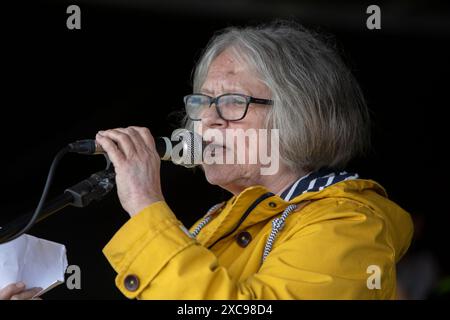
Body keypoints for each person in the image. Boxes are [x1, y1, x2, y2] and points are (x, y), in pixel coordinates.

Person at [1, 20, 414, 300]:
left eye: (232, 102)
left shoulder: (350, 226)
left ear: (301, 115)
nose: (207, 120)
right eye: (202, 102)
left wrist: (146, 204)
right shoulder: (216, 222)